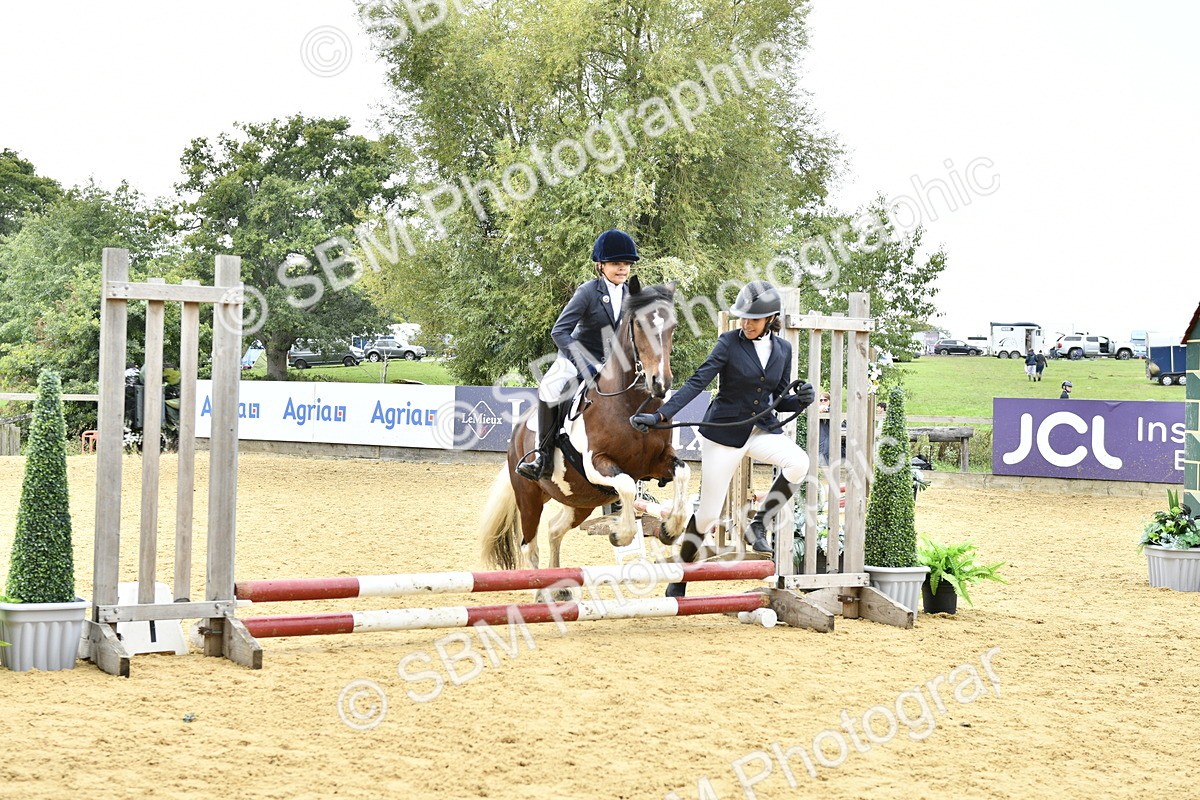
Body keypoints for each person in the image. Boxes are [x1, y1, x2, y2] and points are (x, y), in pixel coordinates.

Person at [630, 280, 816, 587]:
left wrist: (802, 399)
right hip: (724, 435)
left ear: (770, 319)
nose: (746, 324)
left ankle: (758, 525)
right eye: (742, 317)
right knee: (707, 516)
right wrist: (660, 415)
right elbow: (697, 382)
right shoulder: (729, 342)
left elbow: (779, 399)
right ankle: (681, 576)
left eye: (753, 319)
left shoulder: (783, 349)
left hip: (761, 431)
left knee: (799, 463)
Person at [516, 229, 639, 480]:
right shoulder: (587, 292)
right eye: (616, 263)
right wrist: (585, 365)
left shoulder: (631, 295)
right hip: (576, 358)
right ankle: (543, 456)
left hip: (612, 364)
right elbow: (559, 331)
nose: (623, 269)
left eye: (626, 264)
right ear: (600, 265)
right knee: (549, 388)